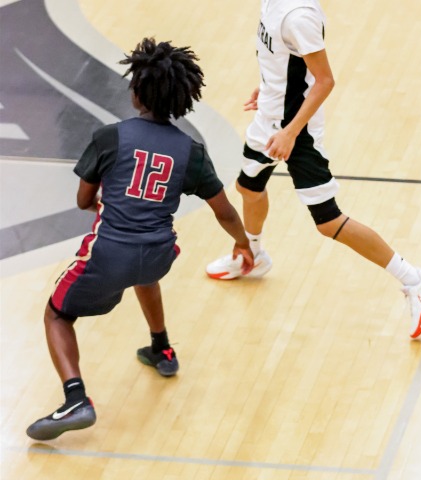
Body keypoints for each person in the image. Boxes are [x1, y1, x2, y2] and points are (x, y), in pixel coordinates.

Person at [26, 38, 254, 441]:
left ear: (137, 93)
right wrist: (243, 243)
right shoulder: (191, 152)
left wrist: (106, 200)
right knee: (144, 271)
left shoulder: (109, 138)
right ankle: (161, 347)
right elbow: (225, 212)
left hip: (109, 253)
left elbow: (83, 200)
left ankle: (76, 399)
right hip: (159, 253)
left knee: (57, 315)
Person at [206, 0, 421, 338]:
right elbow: (284, 58)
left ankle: (417, 280)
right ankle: (254, 254)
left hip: (296, 132)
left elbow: (324, 80)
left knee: (328, 221)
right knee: (248, 188)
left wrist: (290, 132)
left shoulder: (299, 16)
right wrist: (272, 86)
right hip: (270, 118)